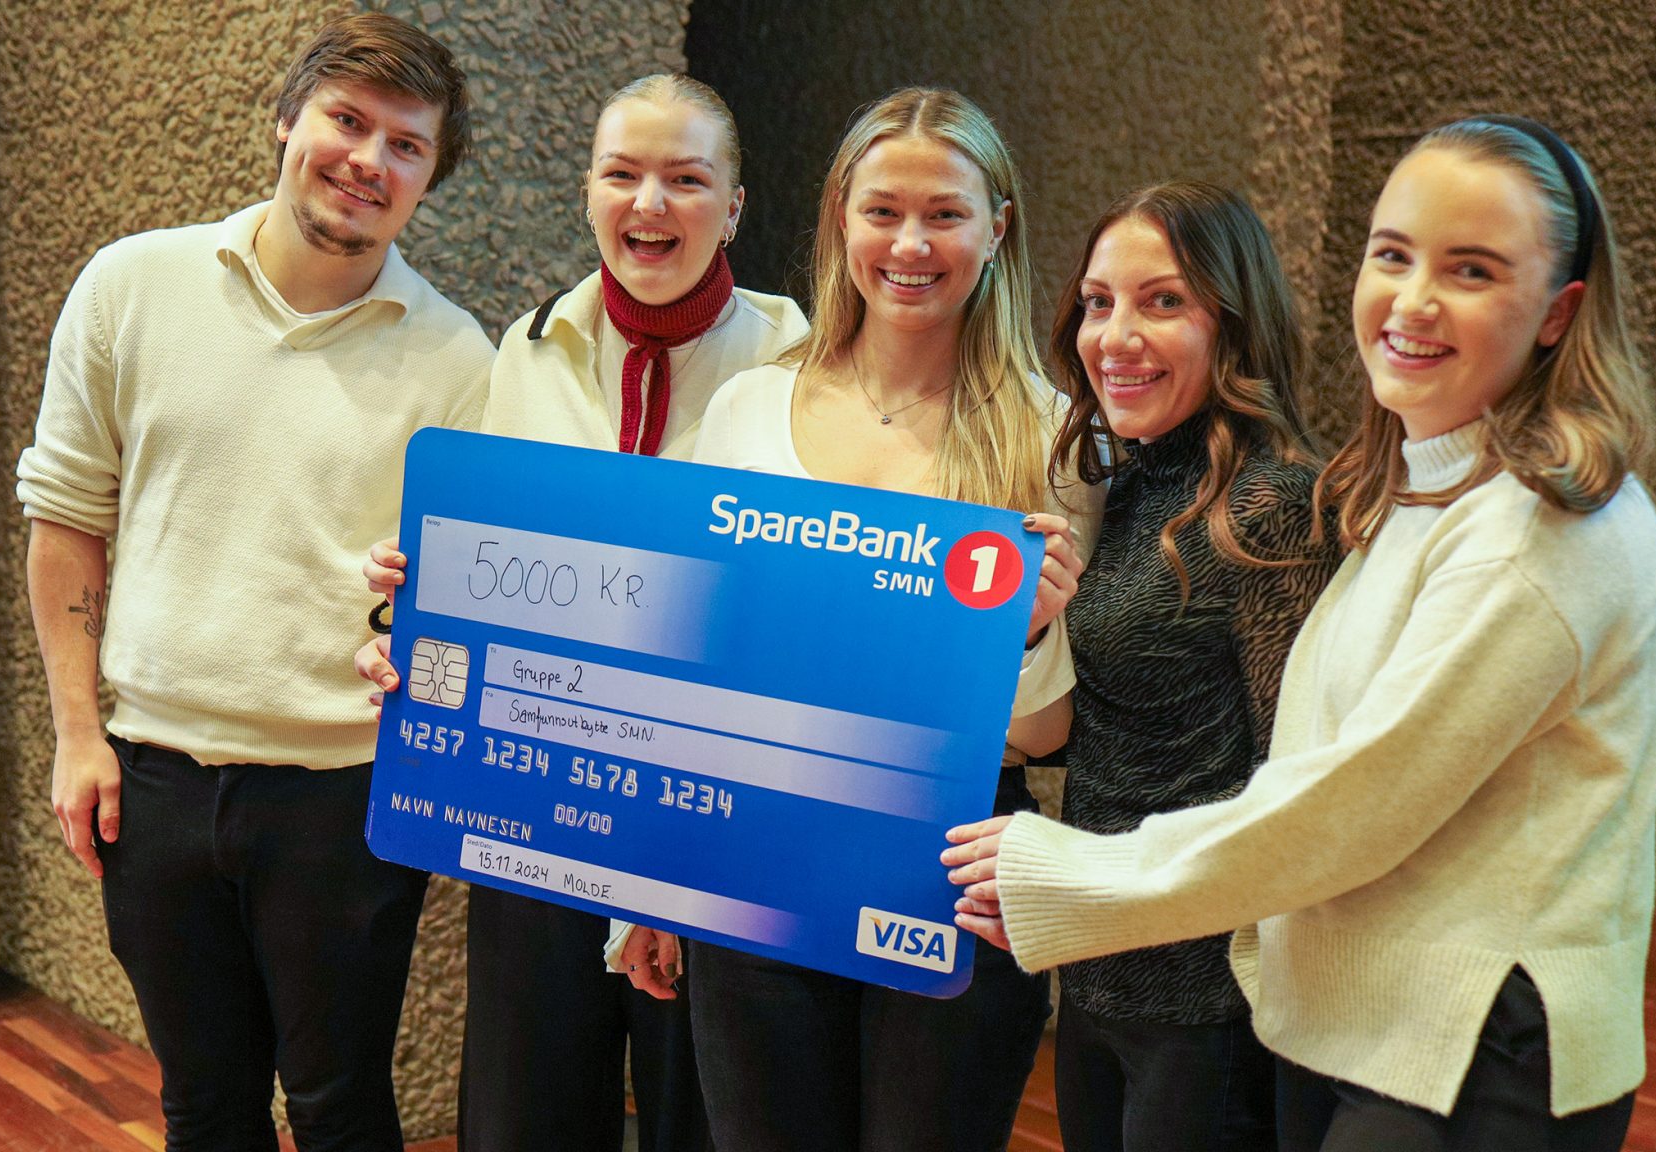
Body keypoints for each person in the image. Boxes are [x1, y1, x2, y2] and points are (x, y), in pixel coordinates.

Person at [947, 115, 1656, 1151]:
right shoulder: (1414, 492)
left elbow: (1344, 806)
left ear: (1559, 311)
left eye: (1470, 269)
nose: (1414, 301)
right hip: (1332, 1017)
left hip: (1462, 1045)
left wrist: (1066, 874)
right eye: (1393, 256)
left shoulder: (1535, 532)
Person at [17, 14, 492, 1149]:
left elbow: (461, 598)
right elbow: (68, 518)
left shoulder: (460, 361)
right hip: (153, 780)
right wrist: (76, 733)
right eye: (347, 120)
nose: (368, 160)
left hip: (346, 795)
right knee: (203, 1106)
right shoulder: (131, 285)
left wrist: (419, 620)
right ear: (286, 121)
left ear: (428, 179)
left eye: (407, 145)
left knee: (340, 1108)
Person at [354, 74, 806, 1152]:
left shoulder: (802, 363)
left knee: (705, 1121)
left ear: (733, 208)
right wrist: (411, 618)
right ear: (588, 193)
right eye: (622, 174)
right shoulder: (526, 350)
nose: (649, 203)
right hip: (539, 809)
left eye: (685, 179)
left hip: (711, 826)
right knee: (526, 1115)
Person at [653, 86, 1088, 1152]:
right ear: (839, 218)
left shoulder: (1051, 436)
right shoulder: (748, 410)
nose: (910, 244)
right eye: (882, 210)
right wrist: (651, 888)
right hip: (752, 856)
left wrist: (1031, 639)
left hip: (949, 873)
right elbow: (687, 665)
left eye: (945, 214)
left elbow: (1044, 738)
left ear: (997, 228)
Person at [1040, 181, 1334, 1152]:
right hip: (1098, 967)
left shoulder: (1273, 507)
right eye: (1098, 302)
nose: (1115, 336)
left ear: (1233, 325)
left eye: (1162, 301)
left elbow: (1295, 787)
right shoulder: (1127, 482)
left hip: (1209, 1005)